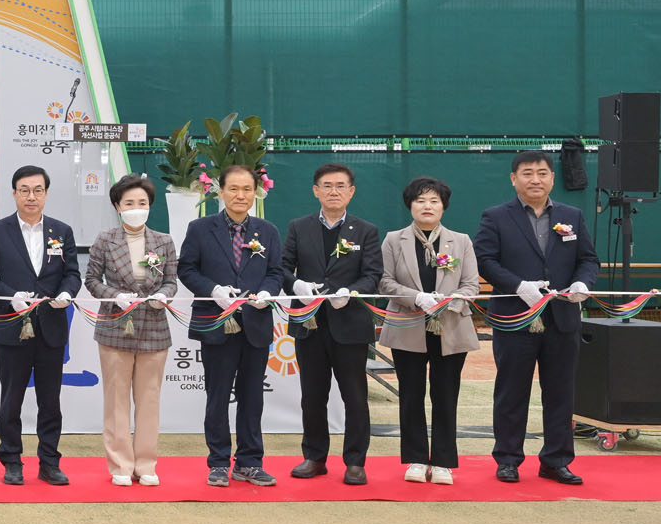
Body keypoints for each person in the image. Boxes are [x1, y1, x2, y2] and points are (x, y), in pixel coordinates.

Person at [475, 149, 599, 485]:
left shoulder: (572, 215)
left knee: (560, 392)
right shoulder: (496, 216)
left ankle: (556, 461)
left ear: (552, 179)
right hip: (515, 318)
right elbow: (485, 260)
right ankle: (508, 459)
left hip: (562, 318)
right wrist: (518, 286)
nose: (535, 179)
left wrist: (582, 283)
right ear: (513, 179)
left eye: (542, 173)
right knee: (511, 392)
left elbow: (588, 259)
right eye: (527, 173)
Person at [177, 163, 284, 488]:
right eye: (234, 189)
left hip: (255, 324)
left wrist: (267, 293)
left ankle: (250, 462)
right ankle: (219, 462)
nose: (241, 195)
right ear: (220, 192)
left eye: (247, 189)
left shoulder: (267, 231)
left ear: (256, 193)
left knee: (253, 397)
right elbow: (187, 269)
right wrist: (213, 290)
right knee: (218, 396)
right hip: (216, 323)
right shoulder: (200, 228)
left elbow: (276, 272)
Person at [0, 164, 83, 485]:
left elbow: (72, 273)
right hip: (12, 326)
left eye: (38, 190)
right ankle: (12, 460)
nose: (31, 196)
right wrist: (10, 296)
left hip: (51, 327)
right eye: (24, 190)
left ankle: (49, 462)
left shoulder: (61, 231)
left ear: (46, 194)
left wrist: (67, 293)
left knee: (50, 401)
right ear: (14, 194)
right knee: (12, 400)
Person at [280, 163, 385, 485]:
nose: (334, 191)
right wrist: (295, 285)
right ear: (316, 191)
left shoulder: (366, 230)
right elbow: (281, 268)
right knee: (313, 395)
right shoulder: (298, 227)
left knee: (355, 396)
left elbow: (373, 275)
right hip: (309, 324)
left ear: (351, 192)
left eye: (341, 186)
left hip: (350, 324)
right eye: (327, 185)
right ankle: (314, 457)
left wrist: (350, 293)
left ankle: (355, 461)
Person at [377, 176, 480, 485]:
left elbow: (471, 285)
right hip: (407, 326)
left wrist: (449, 301)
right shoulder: (393, 240)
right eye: (420, 200)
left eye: (434, 201)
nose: (427, 206)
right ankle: (417, 459)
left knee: (446, 395)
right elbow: (384, 281)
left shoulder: (461, 240)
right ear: (410, 205)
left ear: (443, 207)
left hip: (450, 327)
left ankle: (444, 462)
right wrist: (416, 298)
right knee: (411, 395)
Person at [81, 173, 179, 487]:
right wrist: (114, 296)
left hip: (154, 327)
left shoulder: (163, 241)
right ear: (117, 206)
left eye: (142, 203)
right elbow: (91, 280)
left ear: (150, 206)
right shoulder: (105, 239)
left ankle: (146, 464)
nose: (136, 208)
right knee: (116, 400)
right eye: (129, 203)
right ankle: (121, 464)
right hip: (115, 327)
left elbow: (171, 280)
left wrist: (164, 295)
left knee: (149, 399)